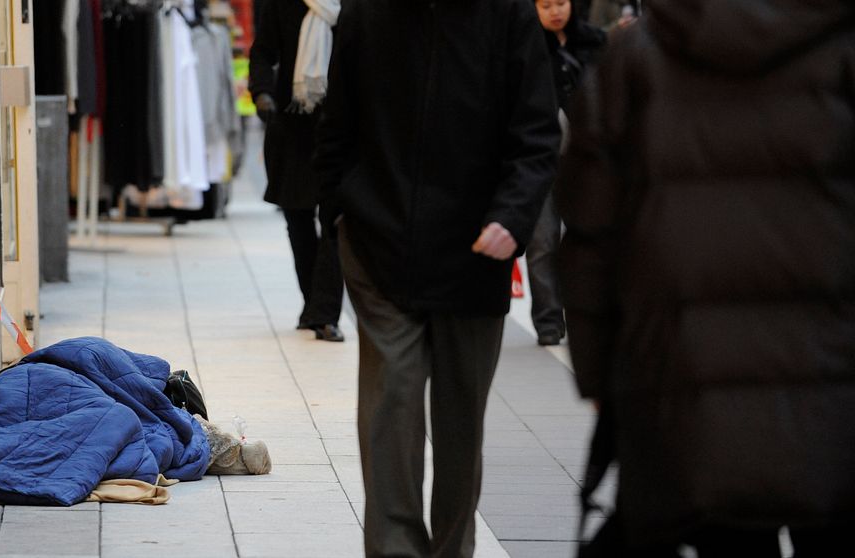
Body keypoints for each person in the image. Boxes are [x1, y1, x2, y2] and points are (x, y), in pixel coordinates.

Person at [558, 1, 855, 555]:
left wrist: (600, 375)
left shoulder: (637, 58)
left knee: (726, 536)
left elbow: (591, 233)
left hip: (683, 383)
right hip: (833, 389)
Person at [313, 1, 560, 555]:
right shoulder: (367, 14)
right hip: (378, 242)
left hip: (477, 252)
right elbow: (339, 123)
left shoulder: (509, 17)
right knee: (391, 407)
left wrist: (512, 217)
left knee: (460, 420)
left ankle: (454, 548)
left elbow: (537, 137)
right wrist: (340, 211)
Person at [249, 0, 345, 342]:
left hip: (342, 125)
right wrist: (261, 93)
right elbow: (262, 51)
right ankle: (313, 305)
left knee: (337, 219)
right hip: (290, 124)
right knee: (297, 217)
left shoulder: (356, 7)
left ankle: (324, 313)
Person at [525, 0, 605, 346]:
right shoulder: (525, 46)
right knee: (542, 242)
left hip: (584, 159)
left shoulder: (595, 42)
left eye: (560, 3)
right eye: (545, 5)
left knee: (584, 241)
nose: (555, 11)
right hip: (538, 159)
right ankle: (547, 321)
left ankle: (584, 316)